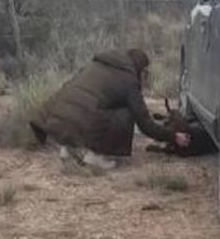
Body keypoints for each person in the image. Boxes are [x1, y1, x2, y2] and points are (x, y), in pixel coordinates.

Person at [29, 48, 190, 169]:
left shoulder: (98, 65)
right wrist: (173, 137)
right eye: (145, 72)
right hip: (80, 121)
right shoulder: (129, 80)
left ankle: (68, 147)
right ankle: (94, 155)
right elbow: (145, 124)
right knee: (126, 113)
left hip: (59, 118)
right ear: (140, 68)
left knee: (86, 108)